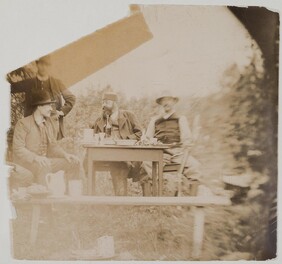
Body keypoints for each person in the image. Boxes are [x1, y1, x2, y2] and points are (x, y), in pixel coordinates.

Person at [12, 90, 80, 187]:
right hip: (27, 164)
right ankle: (44, 198)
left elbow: (53, 146)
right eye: (48, 105)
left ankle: (69, 198)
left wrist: (65, 155)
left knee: (73, 163)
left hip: (44, 162)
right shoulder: (23, 124)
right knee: (44, 166)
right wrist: (36, 157)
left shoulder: (48, 124)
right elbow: (18, 149)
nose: (51, 109)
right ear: (39, 107)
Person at [141, 91, 202, 196]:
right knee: (144, 165)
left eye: (168, 100)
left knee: (195, 166)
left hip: (177, 153)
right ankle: (149, 201)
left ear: (174, 101)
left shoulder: (181, 119)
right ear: (161, 103)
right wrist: (147, 141)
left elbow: (186, 139)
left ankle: (192, 203)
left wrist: (187, 144)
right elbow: (148, 138)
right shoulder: (154, 120)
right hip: (159, 153)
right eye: (163, 100)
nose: (166, 103)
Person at [10, 55, 76, 139]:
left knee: (51, 150)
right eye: (41, 64)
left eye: (46, 65)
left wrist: (62, 112)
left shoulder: (57, 83)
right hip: (32, 125)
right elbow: (9, 87)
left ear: (49, 67)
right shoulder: (29, 83)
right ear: (37, 65)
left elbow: (71, 98)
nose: (43, 67)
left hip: (51, 125)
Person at [92, 92, 143, 195]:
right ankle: (91, 198)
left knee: (119, 165)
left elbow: (139, 132)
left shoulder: (128, 115)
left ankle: (121, 201)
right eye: (102, 103)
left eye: (106, 102)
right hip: (106, 153)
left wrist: (127, 140)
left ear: (115, 103)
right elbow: (95, 137)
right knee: (87, 162)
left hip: (126, 152)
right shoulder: (100, 120)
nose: (104, 105)